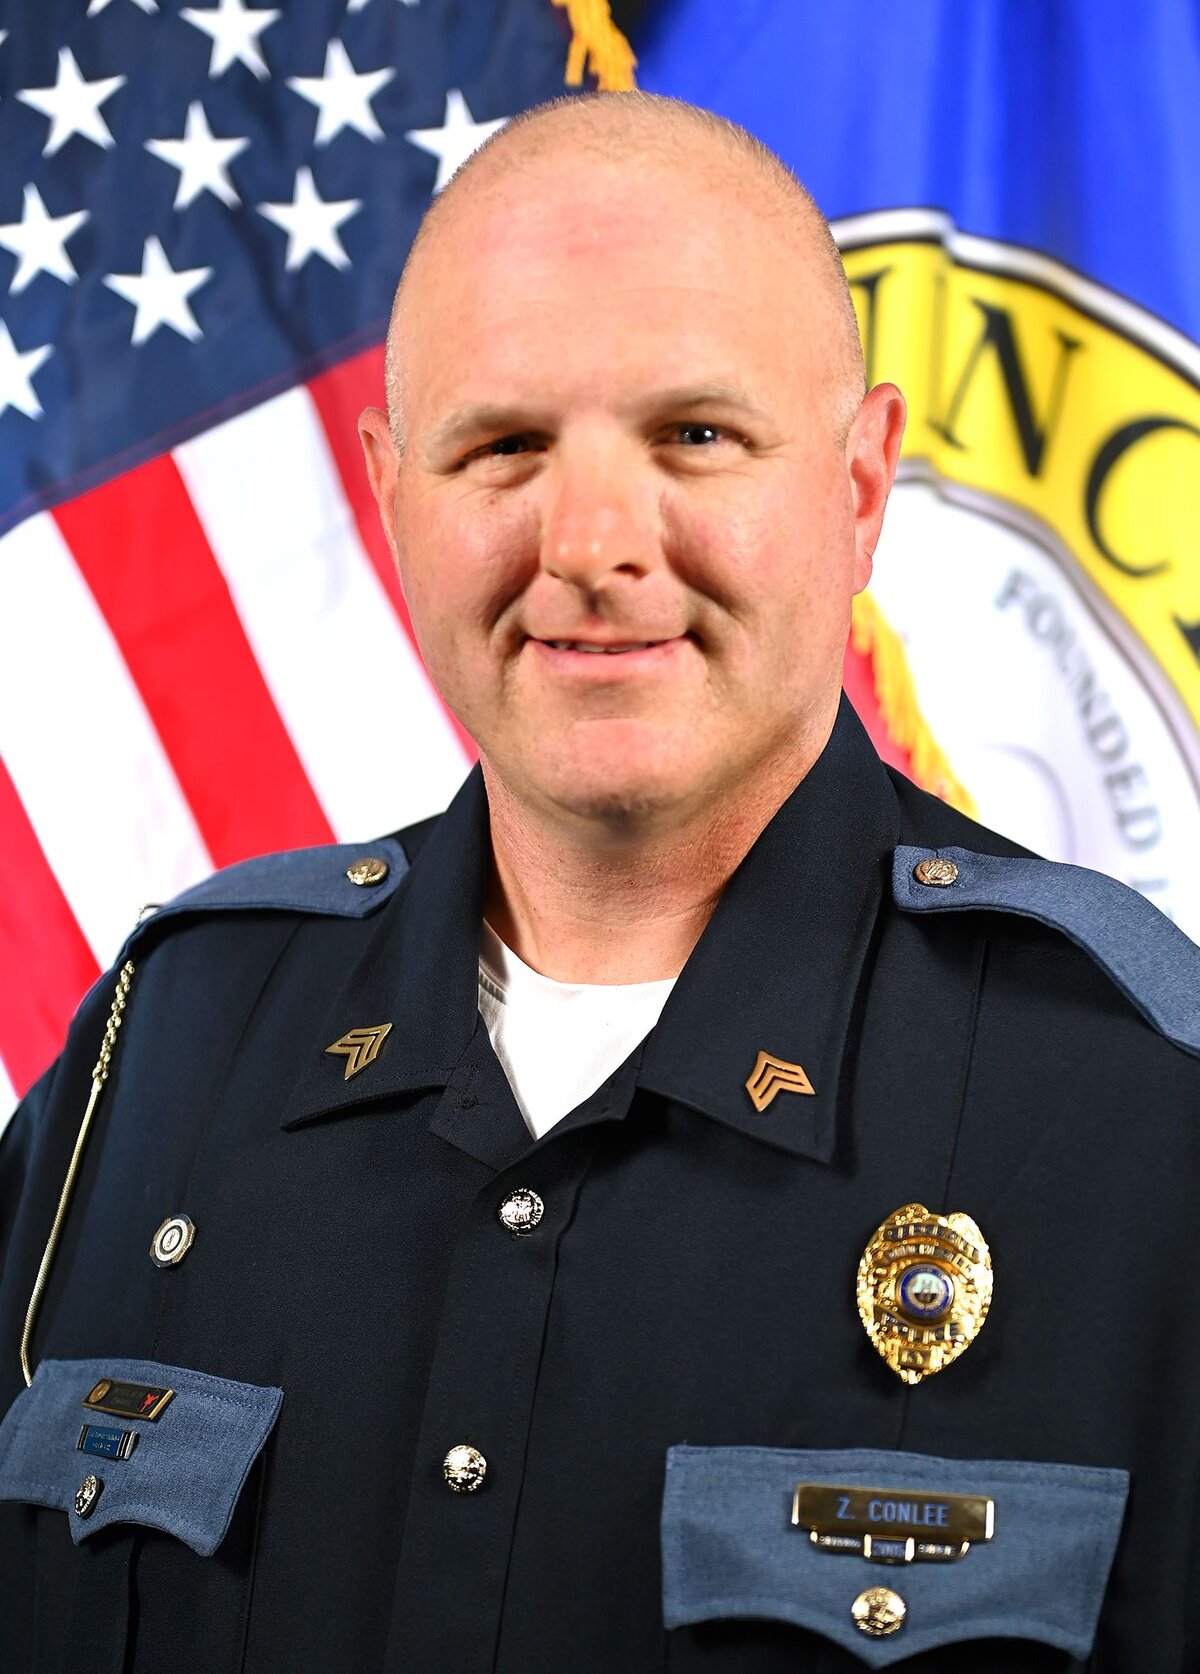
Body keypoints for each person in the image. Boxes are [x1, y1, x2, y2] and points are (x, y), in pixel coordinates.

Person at [1, 90, 1198, 1674]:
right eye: (502, 445)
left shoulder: (1147, 1108)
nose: (592, 542)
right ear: (390, 490)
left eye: (695, 435)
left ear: (856, 486)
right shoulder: (158, 1047)